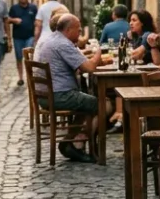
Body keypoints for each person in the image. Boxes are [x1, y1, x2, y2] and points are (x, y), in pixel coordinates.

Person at [33, 13, 111, 162]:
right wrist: (100, 51)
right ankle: (79, 141)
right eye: (79, 30)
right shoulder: (63, 44)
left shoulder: (52, 40)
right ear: (68, 30)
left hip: (47, 95)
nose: (80, 34)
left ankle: (70, 142)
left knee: (85, 102)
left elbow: (80, 65)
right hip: (60, 95)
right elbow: (89, 68)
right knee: (105, 104)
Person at [7, 0, 38, 86]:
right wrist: (14, 20)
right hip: (17, 37)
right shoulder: (14, 8)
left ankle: (29, 76)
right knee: (19, 58)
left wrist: (37, 37)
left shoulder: (33, 8)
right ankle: (20, 78)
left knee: (28, 57)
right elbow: (7, 20)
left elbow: (37, 22)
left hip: (30, 36)